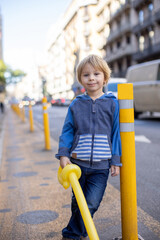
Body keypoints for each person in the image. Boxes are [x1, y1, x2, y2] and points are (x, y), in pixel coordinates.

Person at [55, 54, 122, 240]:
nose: (91, 78)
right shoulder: (76, 104)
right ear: (80, 80)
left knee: (91, 202)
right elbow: (67, 130)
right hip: (77, 164)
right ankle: (81, 231)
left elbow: (117, 134)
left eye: (96, 74)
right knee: (78, 203)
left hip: (101, 165)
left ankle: (71, 233)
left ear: (105, 78)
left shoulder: (112, 104)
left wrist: (116, 160)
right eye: (86, 75)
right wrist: (63, 154)